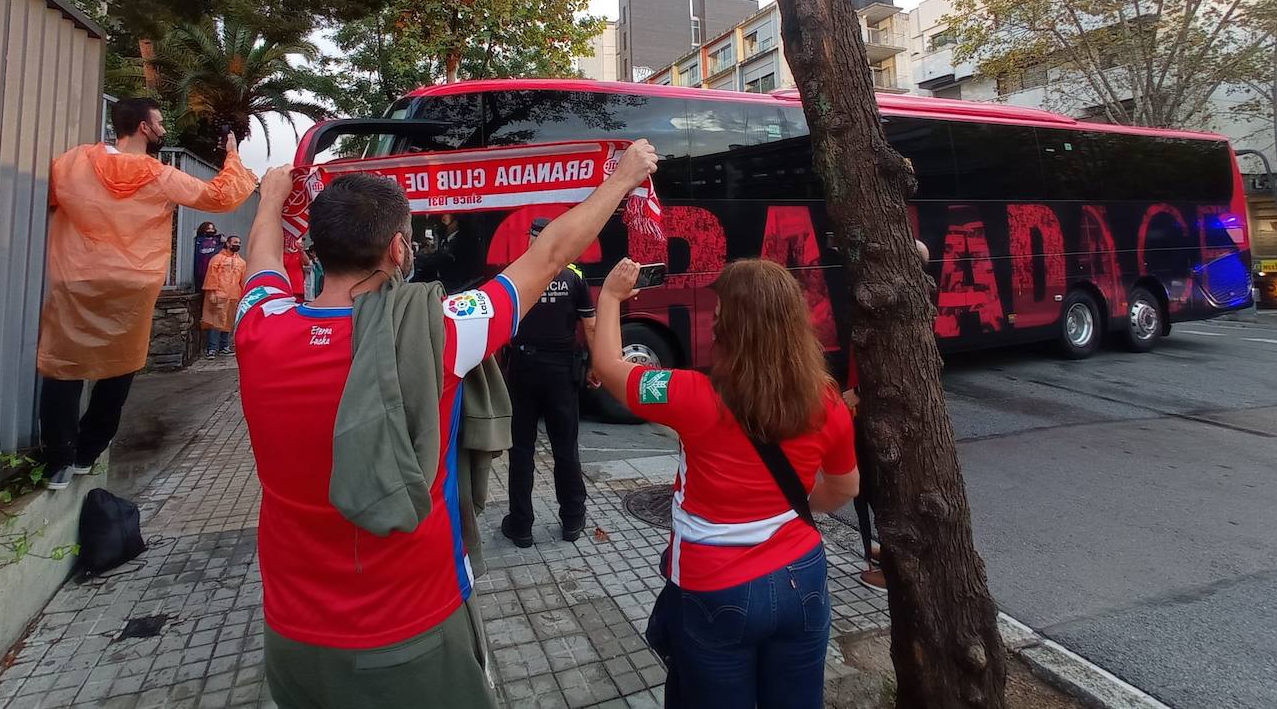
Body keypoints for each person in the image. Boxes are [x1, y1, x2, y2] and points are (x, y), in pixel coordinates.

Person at [235, 141, 658, 708]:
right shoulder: (442, 332)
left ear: (316, 249)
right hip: (411, 630)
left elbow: (262, 258)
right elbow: (550, 255)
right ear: (399, 248)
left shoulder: (258, 327)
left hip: (291, 639)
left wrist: (270, 202)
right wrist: (623, 178)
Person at [589, 257, 860, 708]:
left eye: (718, 319)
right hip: (803, 576)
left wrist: (611, 297)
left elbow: (610, 366)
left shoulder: (689, 394)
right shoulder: (826, 399)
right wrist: (794, 508)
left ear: (730, 331)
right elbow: (844, 487)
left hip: (714, 586)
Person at [37, 98, 255, 490]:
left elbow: (54, 199)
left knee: (61, 365)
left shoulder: (74, 162)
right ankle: (88, 452)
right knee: (121, 365)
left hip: (76, 277)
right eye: (159, 122)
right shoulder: (160, 175)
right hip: (133, 282)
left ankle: (58, 463)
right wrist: (233, 154)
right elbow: (222, 196)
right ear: (143, 127)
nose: (163, 128)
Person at [500, 218, 596, 549]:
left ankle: (521, 525)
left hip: (523, 368)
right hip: (560, 372)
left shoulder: (515, 273)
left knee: (521, 449)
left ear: (532, 241)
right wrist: (596, 365)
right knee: (565, 447)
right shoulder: (575, 277)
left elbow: (501, 324)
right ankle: (572, 519)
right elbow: (591, 326)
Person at [845, 238, 932, 591]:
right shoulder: (892, 299)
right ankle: (889, 552)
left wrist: (858, 395)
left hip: (879, 413)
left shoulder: (900, 308)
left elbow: (896, 369)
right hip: (866, 404)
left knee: (888, 488)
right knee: (874, 485)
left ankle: (897, 570)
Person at [202, 235, 247, 358]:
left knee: (229, 321)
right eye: (235, 242)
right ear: (228, 243)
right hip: (219, 294)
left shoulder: (241, 262)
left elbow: (243, 281)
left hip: (234, 295)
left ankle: (224, 347)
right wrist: (211, 292)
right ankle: (211, 348)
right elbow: (211, 276)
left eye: (239, 242)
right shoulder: (217, 259)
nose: (237, 244)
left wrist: (243, 295)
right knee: (215, 321)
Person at [193, 221, 222, 292]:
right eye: (208, 229)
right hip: (201, 268)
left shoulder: (217, 240)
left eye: (212, 229)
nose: (211, 231)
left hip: (214, 268)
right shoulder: (199, 240)